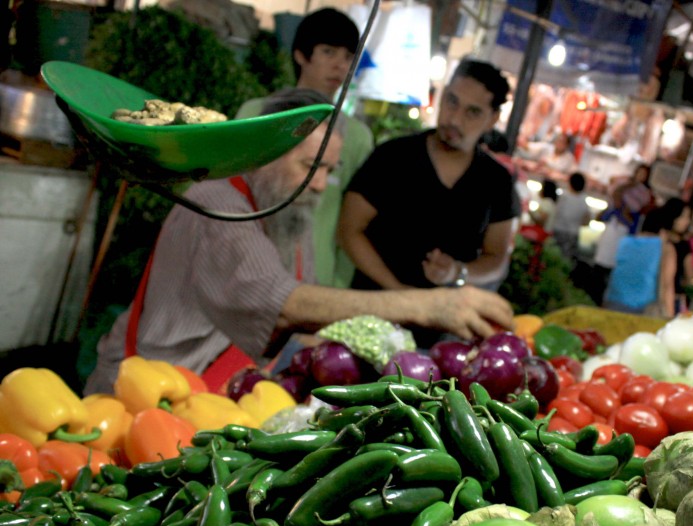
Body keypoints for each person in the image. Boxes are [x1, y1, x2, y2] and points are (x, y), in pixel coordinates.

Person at [84, 89, 513, 394]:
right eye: (310, 166)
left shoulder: (288, 210)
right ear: (267, 152)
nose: (320, 185)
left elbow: (299, 319)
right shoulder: (216, 202)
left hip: (210, 393)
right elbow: (283, 304)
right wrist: (426, 305)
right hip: (143, 394)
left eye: (330, 170)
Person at [337, 58, 520, 297]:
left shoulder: (496, 181)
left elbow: (496, 258)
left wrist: (458, 271)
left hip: (445, 321)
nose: (454, 119)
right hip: (372, 307)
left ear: (493, 119)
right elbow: (349, 230)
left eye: (472, 112)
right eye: (452, 101)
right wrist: (399, 292)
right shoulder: (393, 156)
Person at [236, 7, 374, 289]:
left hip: (315, 281)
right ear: (301, 54)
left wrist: (336, 286)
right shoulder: (256, 113)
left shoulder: (357, 137)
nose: (340, 65)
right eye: (328, 52)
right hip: (247, 270)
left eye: (349, 57)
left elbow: (352, 222)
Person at [603, 197, 690, 318]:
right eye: (685, 216)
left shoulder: (626, 242)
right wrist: (669, 318)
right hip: (642, 309)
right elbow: (667, 286)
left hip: (613, 301)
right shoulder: (666, 249)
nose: (688, 221)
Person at [550, 172, 589, 262]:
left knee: (553, 259)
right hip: (573, 235)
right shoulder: (583, 200)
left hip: (559, 231)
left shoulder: (564, 196)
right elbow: (586, 221)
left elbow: (555, 213)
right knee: (566, 262)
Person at [608, 163, 656, 233]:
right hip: (615, 215)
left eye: (643, 174)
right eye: (640, 172)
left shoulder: (645, 191)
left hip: (629, 219)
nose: (641, 175)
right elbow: (613, 192)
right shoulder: (625, 181)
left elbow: (639, 206)